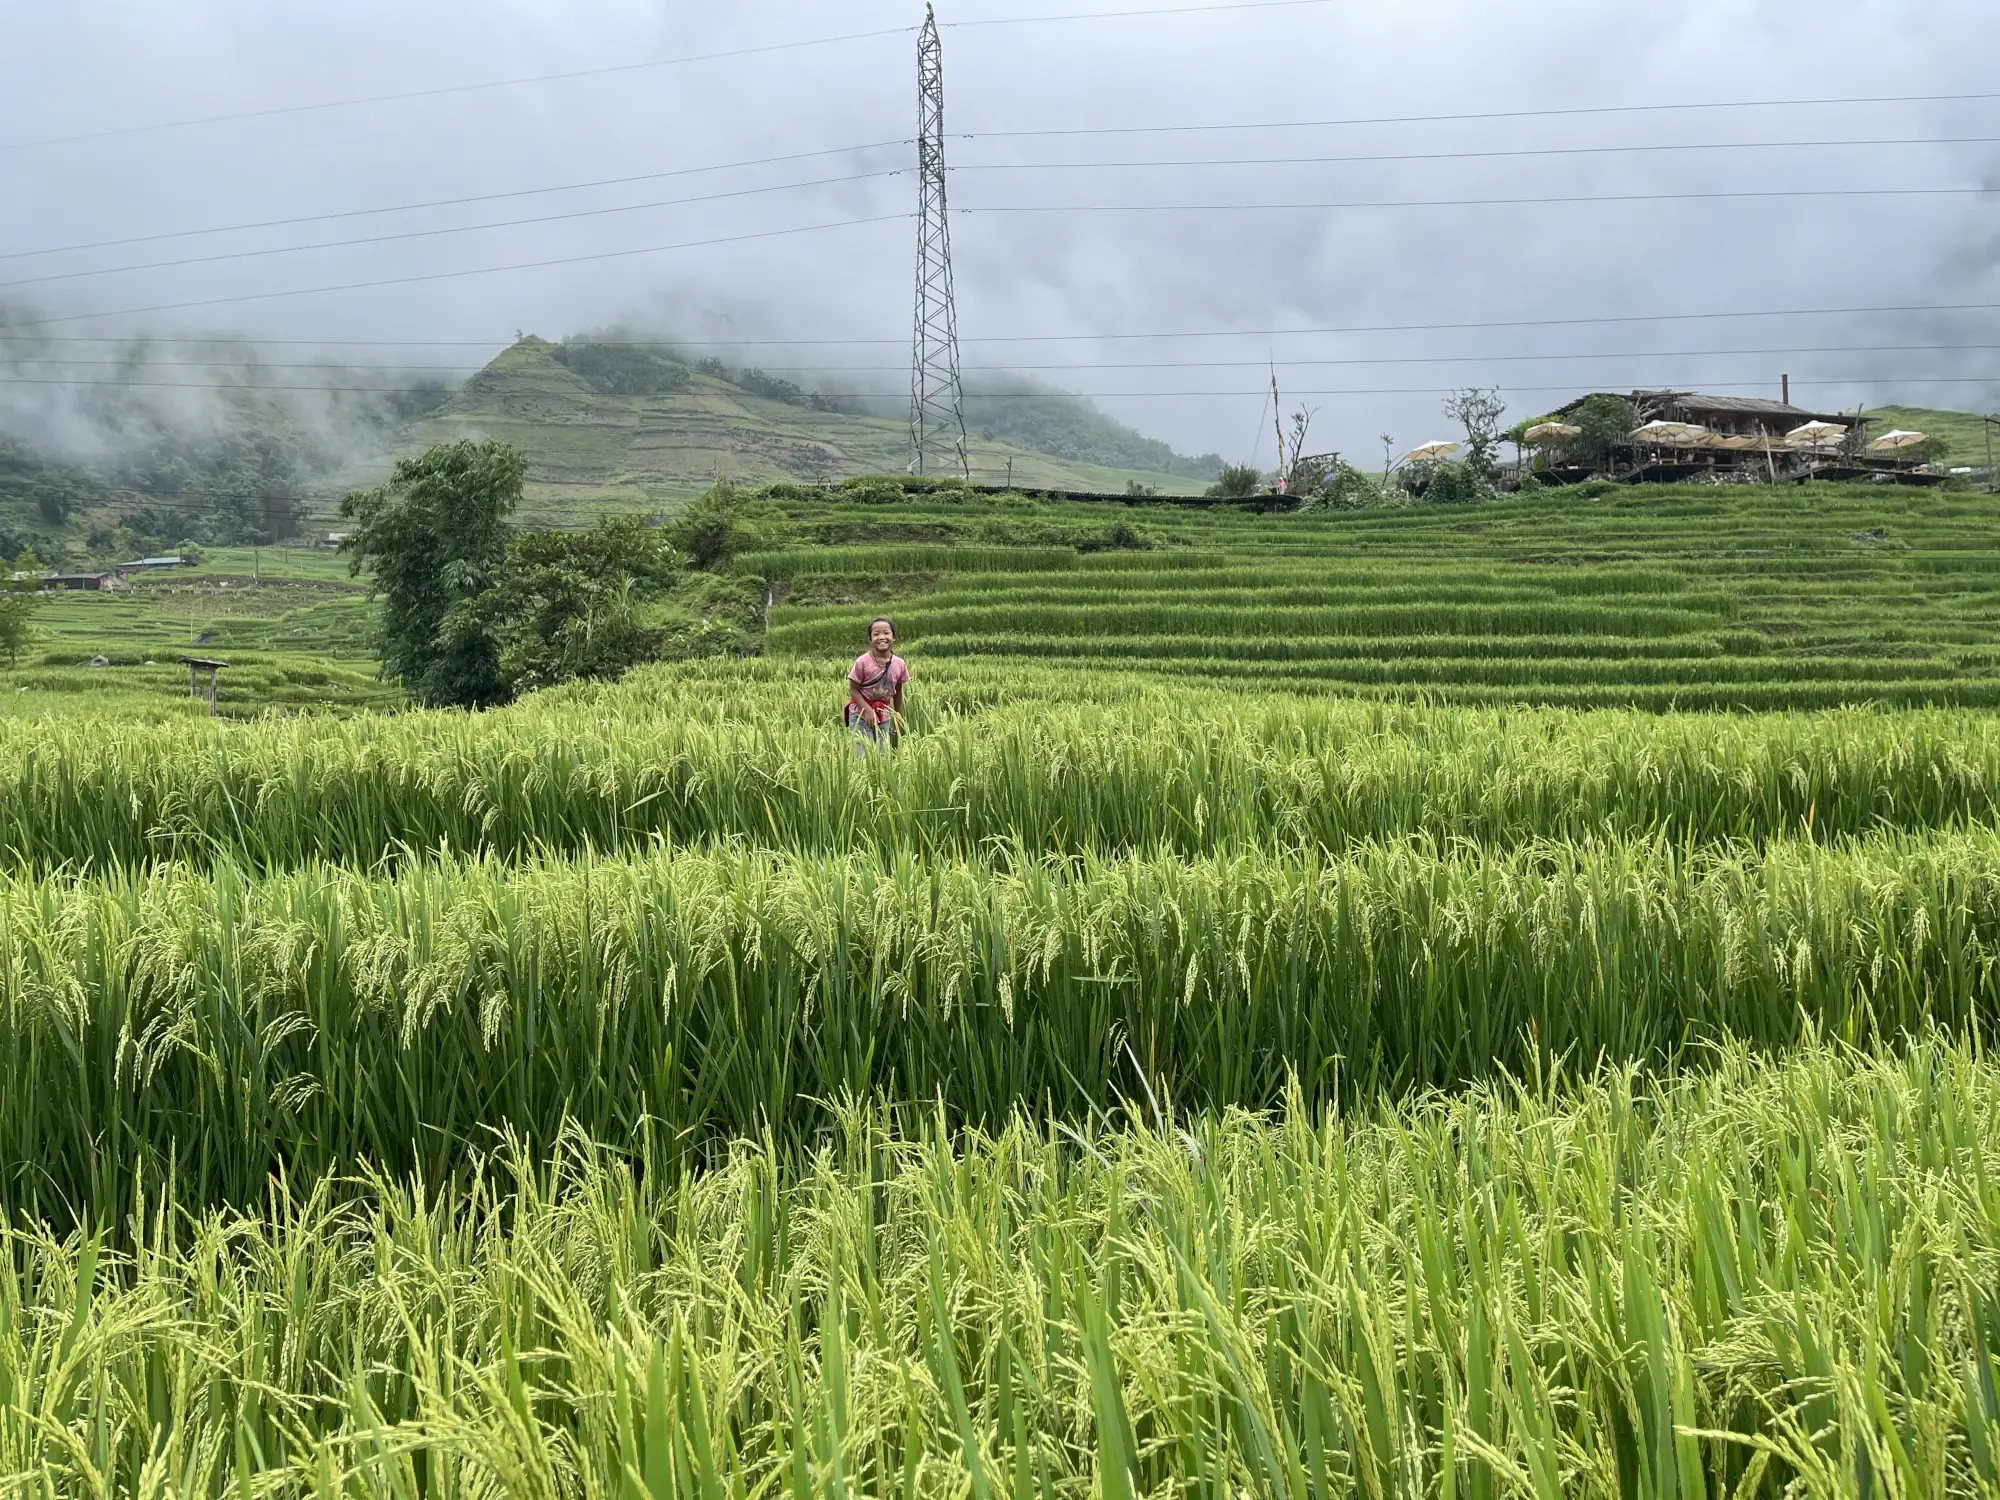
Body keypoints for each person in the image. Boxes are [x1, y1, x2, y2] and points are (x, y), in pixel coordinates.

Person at [847, 616, 908, 752]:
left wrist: (898, 714)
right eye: (876, 634)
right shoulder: (862, 662)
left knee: (882, 755)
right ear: (870, 639)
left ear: (894, 637)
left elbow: (898, 692)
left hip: (883, 714)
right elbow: (853, 690)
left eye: (886, 633)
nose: (881, 637)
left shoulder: (899, 664)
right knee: (862, 756)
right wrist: (867, 710)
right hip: (860, 714)